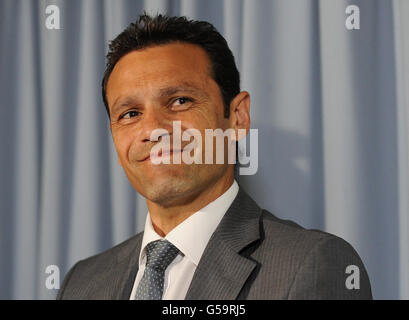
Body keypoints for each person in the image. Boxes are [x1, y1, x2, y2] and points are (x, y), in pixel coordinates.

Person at [57, 14, 372, 300]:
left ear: (237, 117)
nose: (153, 129)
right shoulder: (81, 283)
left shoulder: (312, 265)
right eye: (130, 113)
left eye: (180, 101)